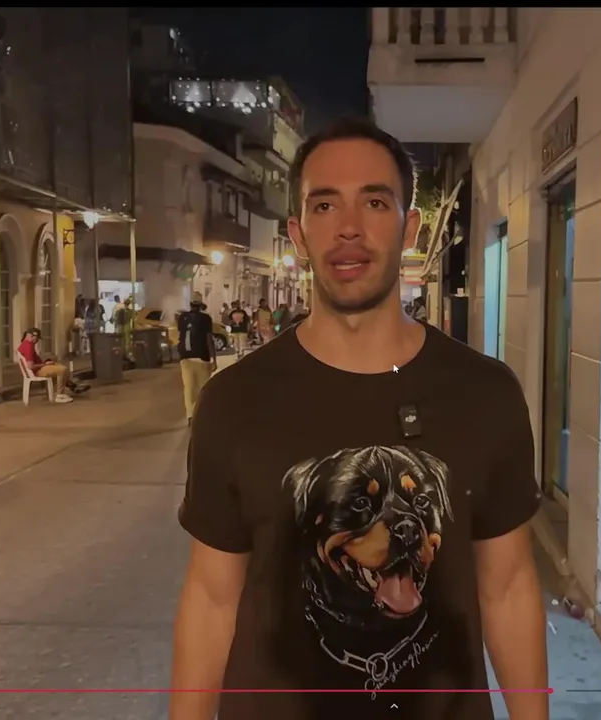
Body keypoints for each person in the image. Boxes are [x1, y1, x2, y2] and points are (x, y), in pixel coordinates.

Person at [172, 117, 547, 720]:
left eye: (375, 202)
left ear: (410, 228)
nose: (348, 227)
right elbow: (212, 598)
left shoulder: (486, 393)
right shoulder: (233, 400)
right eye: (324, 205)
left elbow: (507, 589)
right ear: (298, 234)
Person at [16, 328, 87, 403]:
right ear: (33, 336)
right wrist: (44, 364)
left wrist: (46, 363)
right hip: (37, 371)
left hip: (37, 369)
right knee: (63, 369)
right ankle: (60, 395)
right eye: (37, 338)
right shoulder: (28, 346)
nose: (37, 341)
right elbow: (30, 366)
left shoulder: (25, 344)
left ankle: (72, 387)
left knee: (57, 365)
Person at [177, 292, 217, 421]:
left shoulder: (182, 317)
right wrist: (214, 359)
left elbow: (181, 335)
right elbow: (209, 339)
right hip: (202, 358)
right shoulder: (205, 318)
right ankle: (201, 415)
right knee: (202, 389)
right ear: (200, 305)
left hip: (186, 358)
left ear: (190, 304)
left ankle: (190, 415)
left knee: (188, 388)